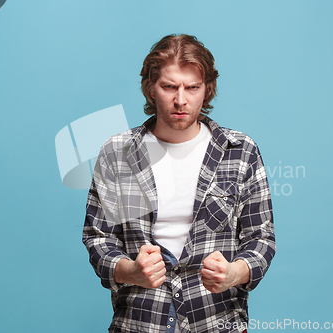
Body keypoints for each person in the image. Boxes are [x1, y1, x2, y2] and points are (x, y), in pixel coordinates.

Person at [83, 34, 275, 333]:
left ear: (207, 90)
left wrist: (232, 274)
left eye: (192, 88)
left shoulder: (240, 151)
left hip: (216, 322)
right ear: (150, 88)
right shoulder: (116, 152)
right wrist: (131, 271)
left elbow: (261, 238)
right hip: (139, 323)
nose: (180, 100)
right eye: (169, 87)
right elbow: (98, 238)